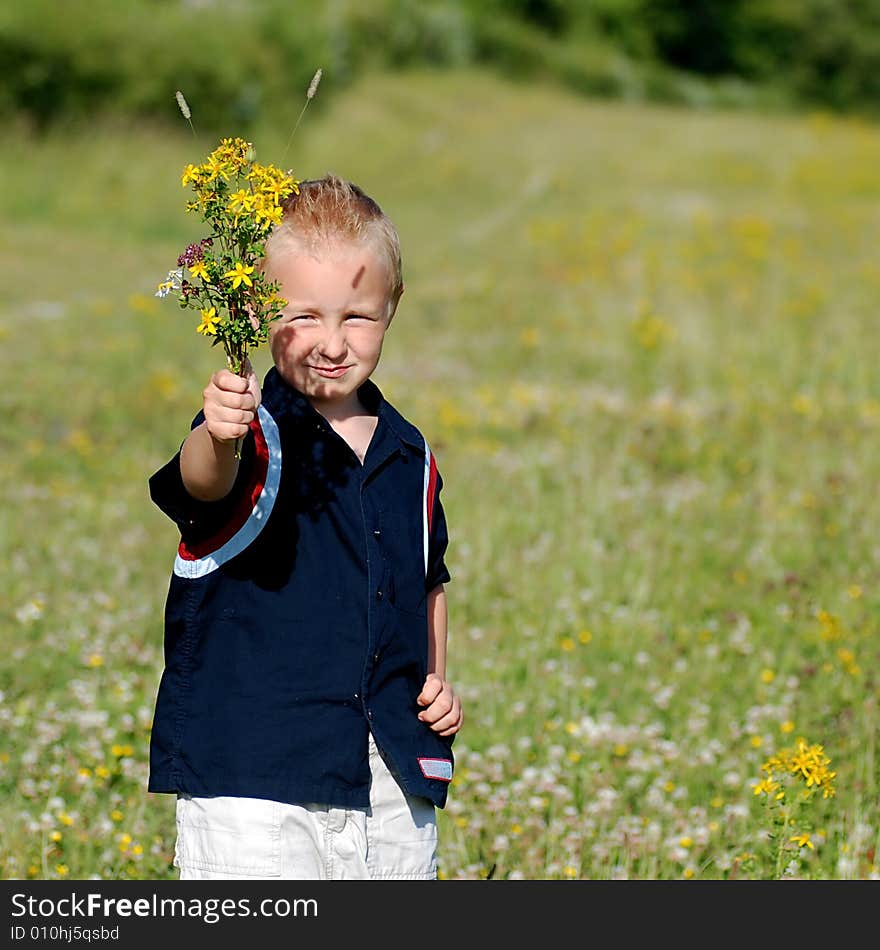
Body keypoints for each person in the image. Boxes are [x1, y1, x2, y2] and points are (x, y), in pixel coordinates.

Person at [147, 174, 463, 880]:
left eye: (357, 317)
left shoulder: (411, 455)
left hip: (388, 778)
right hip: (255, 782)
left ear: (393, 309)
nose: (331, 342)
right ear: (258, 312)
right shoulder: (248, 434)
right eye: (303, 316)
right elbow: (202, 485)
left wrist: (438, 677)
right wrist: (218, 432)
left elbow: (427, 581)